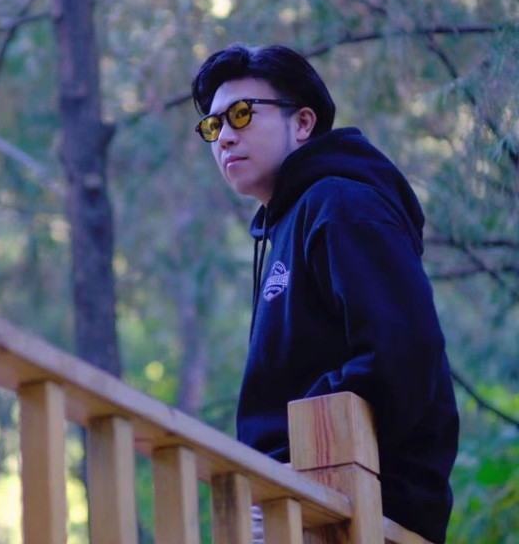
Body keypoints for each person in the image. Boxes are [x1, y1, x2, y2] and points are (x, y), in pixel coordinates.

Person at [190, 44, 459, 544]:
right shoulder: (293, 221)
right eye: (213, 125)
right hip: (301, 495)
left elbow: (404, 350)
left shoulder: (342, 204)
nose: (224, 135)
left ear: (303, 123)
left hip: (352, 504)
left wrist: (307, 449)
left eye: (242, 114)